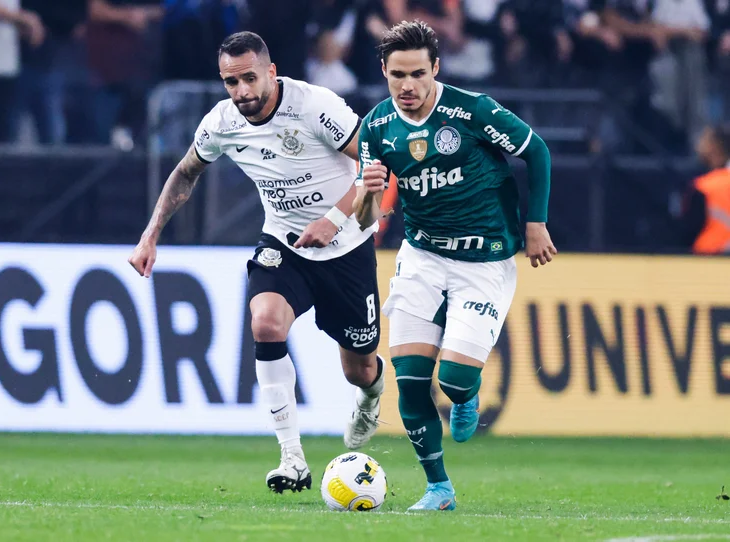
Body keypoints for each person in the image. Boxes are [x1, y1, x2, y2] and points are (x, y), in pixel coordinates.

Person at [128, 31, 386, 494]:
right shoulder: (221, 122)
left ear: (271, 71)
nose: (242, 91)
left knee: (359, 369)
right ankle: (292, 458)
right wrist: (151, 235)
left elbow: (376, 163)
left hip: (346, 248)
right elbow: (185, 172)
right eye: (231, 81)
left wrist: (332, 218)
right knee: (265, 323)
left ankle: (370, 396)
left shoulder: (315, 106)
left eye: (250, 78)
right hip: (284, 244)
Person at [354, 20, 556, 511]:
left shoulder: (472, 110)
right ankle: (438, 488)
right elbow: (368, 218)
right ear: (383, 70)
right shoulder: (377, 128)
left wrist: (536, 223)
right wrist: (369, 191)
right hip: (422, 256)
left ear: (436, 68)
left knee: (453, 380)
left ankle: (467, 397)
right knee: (410, 376)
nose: (407, 86)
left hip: (484, 260)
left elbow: (537, 152)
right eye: (397, 74)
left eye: (417, 73)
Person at [682, 124, 730, 254]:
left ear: (715, 146)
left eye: (704, 139)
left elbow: (688, 231)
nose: (699, 145)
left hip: (707, 259)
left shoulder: (704, 187)